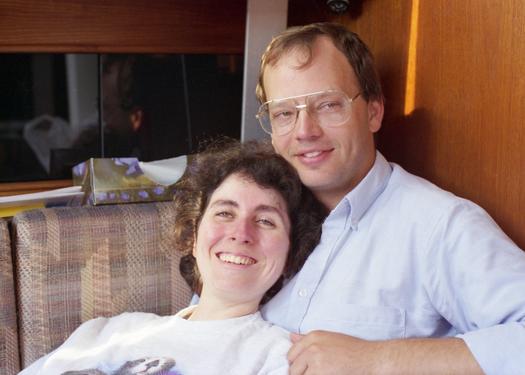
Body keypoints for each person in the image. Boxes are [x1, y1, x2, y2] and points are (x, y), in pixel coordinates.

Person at [256, 22, 525, 374]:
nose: (305, 131)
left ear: (373, 112)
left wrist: (377, 359)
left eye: (328, 105)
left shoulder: (440, 226)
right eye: (285, 113)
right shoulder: (252, 217)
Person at [19, 139, 326, 375]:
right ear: (193, 237)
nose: (240, 232)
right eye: (224, 213)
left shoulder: (278, 358)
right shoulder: (109, 331)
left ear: (290, 255)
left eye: (265, 221)